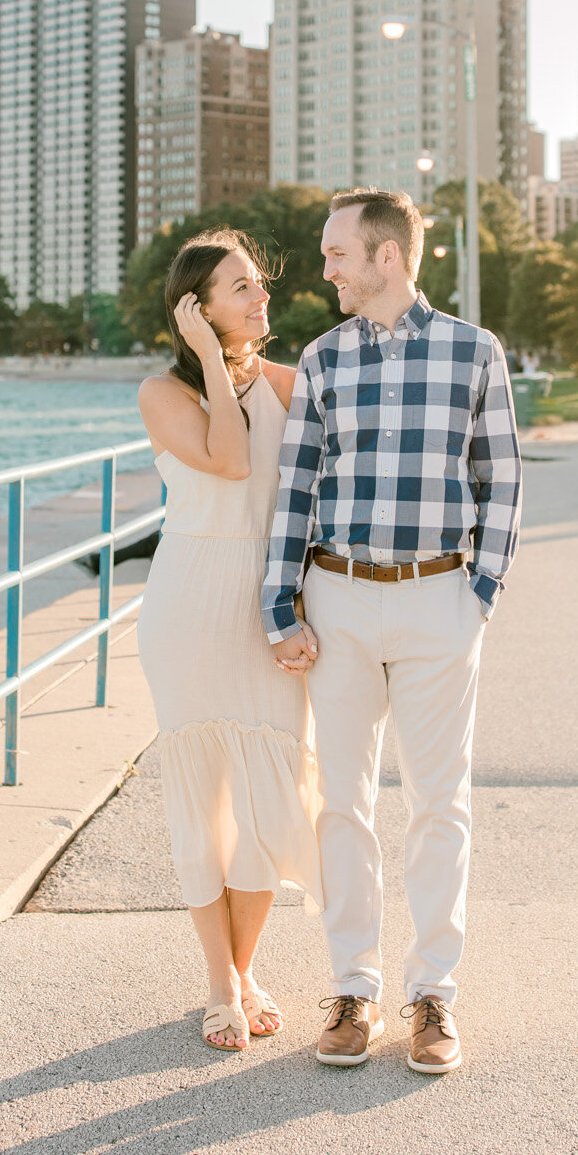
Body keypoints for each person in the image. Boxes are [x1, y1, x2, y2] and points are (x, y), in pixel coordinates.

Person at [261, 188, 521, 1075]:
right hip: (337, 599)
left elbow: (502, 482)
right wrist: (280, 604)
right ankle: (353, 987)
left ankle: (433, 995)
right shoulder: (323, 358)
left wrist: (477, 593)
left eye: (336, 253)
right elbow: (295, 488)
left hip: (438, 600)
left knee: (438, 802)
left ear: (385, 257)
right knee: (342, 801)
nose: (324, 267)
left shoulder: (472, 351)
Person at [138, 229, 322, 1052]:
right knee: (202, 802)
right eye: (239, 288)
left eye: (258, 283)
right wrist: (211, 361)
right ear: (195, 310)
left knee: (268, 801)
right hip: (189, 605)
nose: (259, 297)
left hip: (270, 606)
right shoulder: (161, 393)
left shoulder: (290, 382)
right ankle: (221, 984)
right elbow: (231, 460)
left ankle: (244, 971)